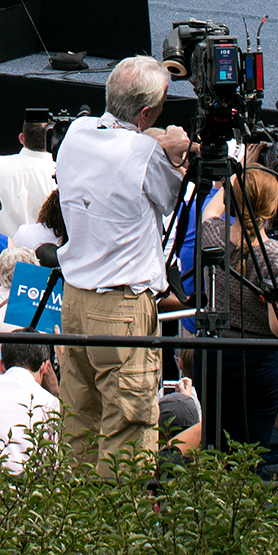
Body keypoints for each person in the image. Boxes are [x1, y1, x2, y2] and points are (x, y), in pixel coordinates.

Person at [52, 55, 191, 474]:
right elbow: (169, 200)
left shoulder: (76, 132)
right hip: (122, 309)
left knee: (79, 422)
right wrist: (178, 155)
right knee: (128, 429)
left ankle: (75, 524)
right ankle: (118, 533)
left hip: (75, 302)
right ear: (147, 113)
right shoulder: (147, 153)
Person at [199, 165, 278, 477]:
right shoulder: (275, 253)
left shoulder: (212, 235)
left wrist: (234, 175)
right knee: (250, 452)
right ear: (275, 207)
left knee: (214, 445)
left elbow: (212, 209)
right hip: (258, 360)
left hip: (215, 354)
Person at [0, 336, 59, 473]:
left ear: (1, 365)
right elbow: (51, 466)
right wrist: (55, 392)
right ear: (44, 367)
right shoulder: (50, 403)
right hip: (19, 489)